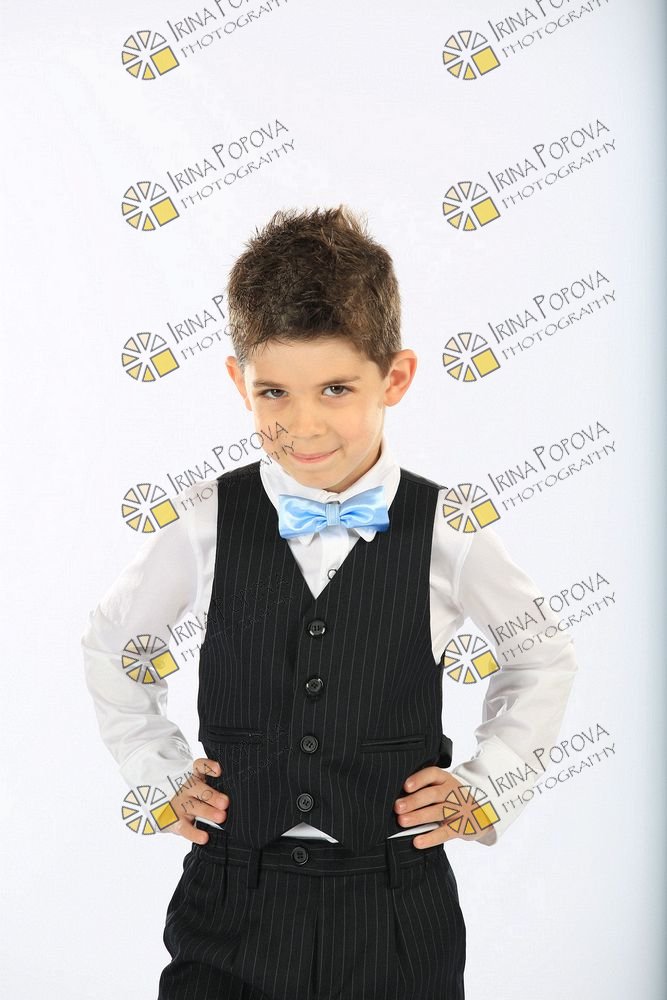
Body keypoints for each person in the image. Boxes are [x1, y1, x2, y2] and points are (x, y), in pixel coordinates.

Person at [81, 205, 578, 1000]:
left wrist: (488, 787)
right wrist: (157, 772)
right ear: (239, 382)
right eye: (274, 392)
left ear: (395, 378)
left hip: (395, 903)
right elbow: (114, 644)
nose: (302, 425)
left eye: (336, 389)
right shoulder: (208, 520)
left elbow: (539, 654)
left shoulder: (445, 527)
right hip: (232, 895)